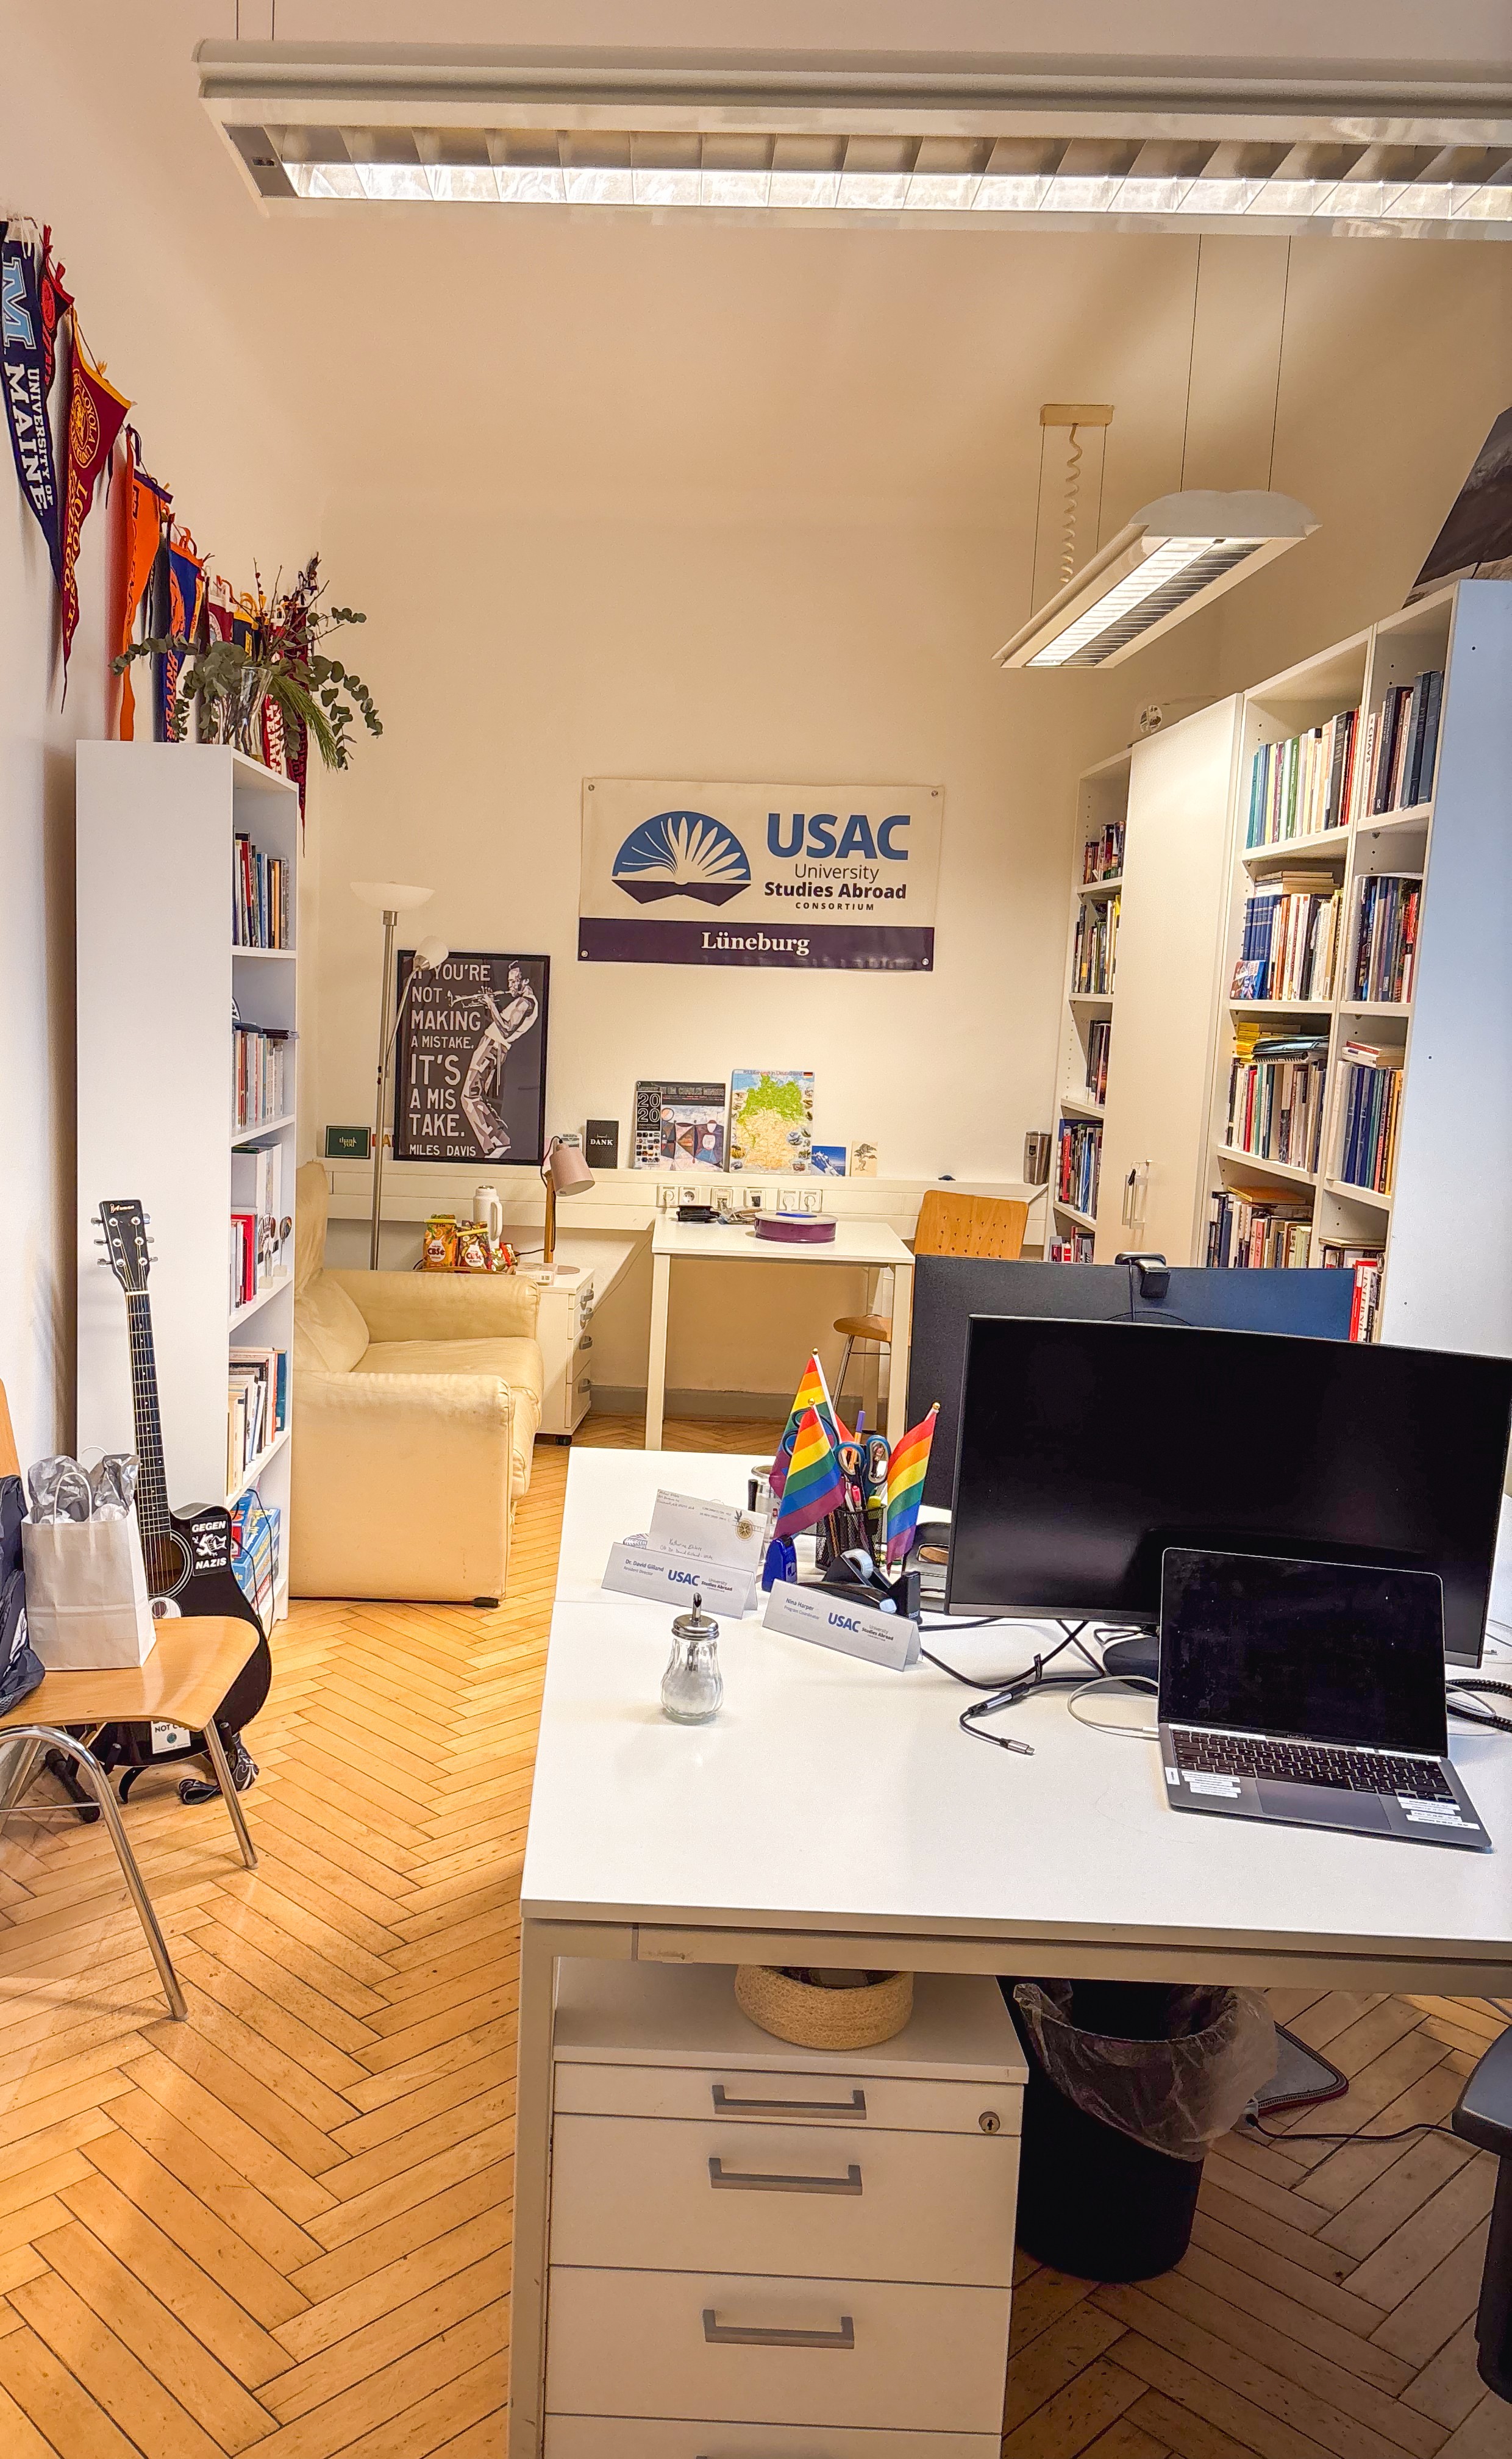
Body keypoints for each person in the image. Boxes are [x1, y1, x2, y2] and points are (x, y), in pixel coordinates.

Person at [461, 962, 539, 1158]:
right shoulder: (521, 1001)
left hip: (494, 1046)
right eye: (509, 981)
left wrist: (490, 1004)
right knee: (476, 1096)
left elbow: (505, 1030)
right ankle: (500, 1139)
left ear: (525, 981)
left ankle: (490, 1146)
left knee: (469, 1096)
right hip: (493, 1045)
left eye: (514, 981)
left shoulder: (525, 1003)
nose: (510, 985)